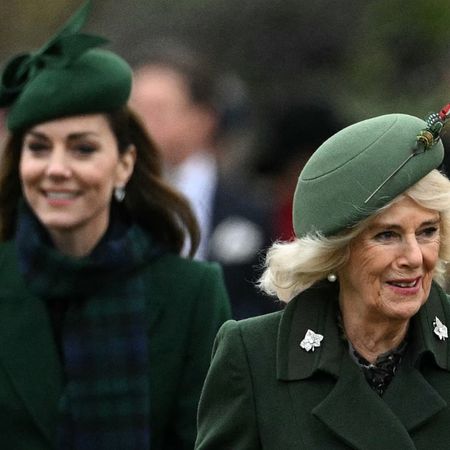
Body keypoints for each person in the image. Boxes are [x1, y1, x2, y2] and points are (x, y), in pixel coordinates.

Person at [0, 2, 231, 449]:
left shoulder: (192, 294)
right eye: (39, 148)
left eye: (83, 149)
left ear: (124, 163)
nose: (57, 168)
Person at [195, 104, 450, 449]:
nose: (414, 257)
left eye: (427, 231)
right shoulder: (253, 355)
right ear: (336, 252)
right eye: (387, 235)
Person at [131, 45, 278, 319]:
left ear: (203, 120)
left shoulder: (249, 208)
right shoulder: (107, 200)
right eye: (133, 108)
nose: (139, 123)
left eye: (157, 111)